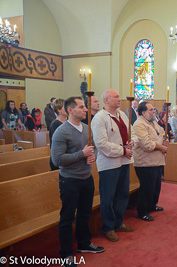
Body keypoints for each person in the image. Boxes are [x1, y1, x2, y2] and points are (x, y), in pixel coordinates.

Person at [51, 96, 105, 267]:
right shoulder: (62, 131)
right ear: (70, 110)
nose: (86, 110)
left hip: (86, 177)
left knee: (85, 214)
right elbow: (57, 160)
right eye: (81, 107)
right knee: (67, 217)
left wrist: (92, 158)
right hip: (70, 180)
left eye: (85, 107)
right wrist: (82, 155)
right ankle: (66, 254)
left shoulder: (87, 128)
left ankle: (83, 244)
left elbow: (94, 149)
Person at [91, 89, 134, 242]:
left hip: (123, 161)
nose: (119, 98)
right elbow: (102, 145)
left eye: (118, 96)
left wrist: (132, 142)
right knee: (108, 197)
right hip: (109, 164)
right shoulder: (99, 118)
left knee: (122, 194)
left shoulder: (122, 115)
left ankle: (119, 222)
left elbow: (131, 132)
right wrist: (123, 150)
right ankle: (108, 227)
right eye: (115, 96)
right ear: (106, 100)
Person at [133, 101, 168, 221]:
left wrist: (164, 141)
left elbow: (161, 134)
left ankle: (152, 205)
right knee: (147, 187)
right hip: (145, 162)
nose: (154, 111)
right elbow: (146, 144)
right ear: (143, 113)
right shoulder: (139, 124)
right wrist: (161, 147)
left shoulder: (153, 122)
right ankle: (143, 211)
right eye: (151, 109)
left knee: (156, 186)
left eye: (153, 109)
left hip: (156, 160)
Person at [49, 98, 67, 171]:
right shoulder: (55, 124)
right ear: (59, 110)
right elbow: (56, 145)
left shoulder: (68, 123)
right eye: (65, 107)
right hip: (59, 159)